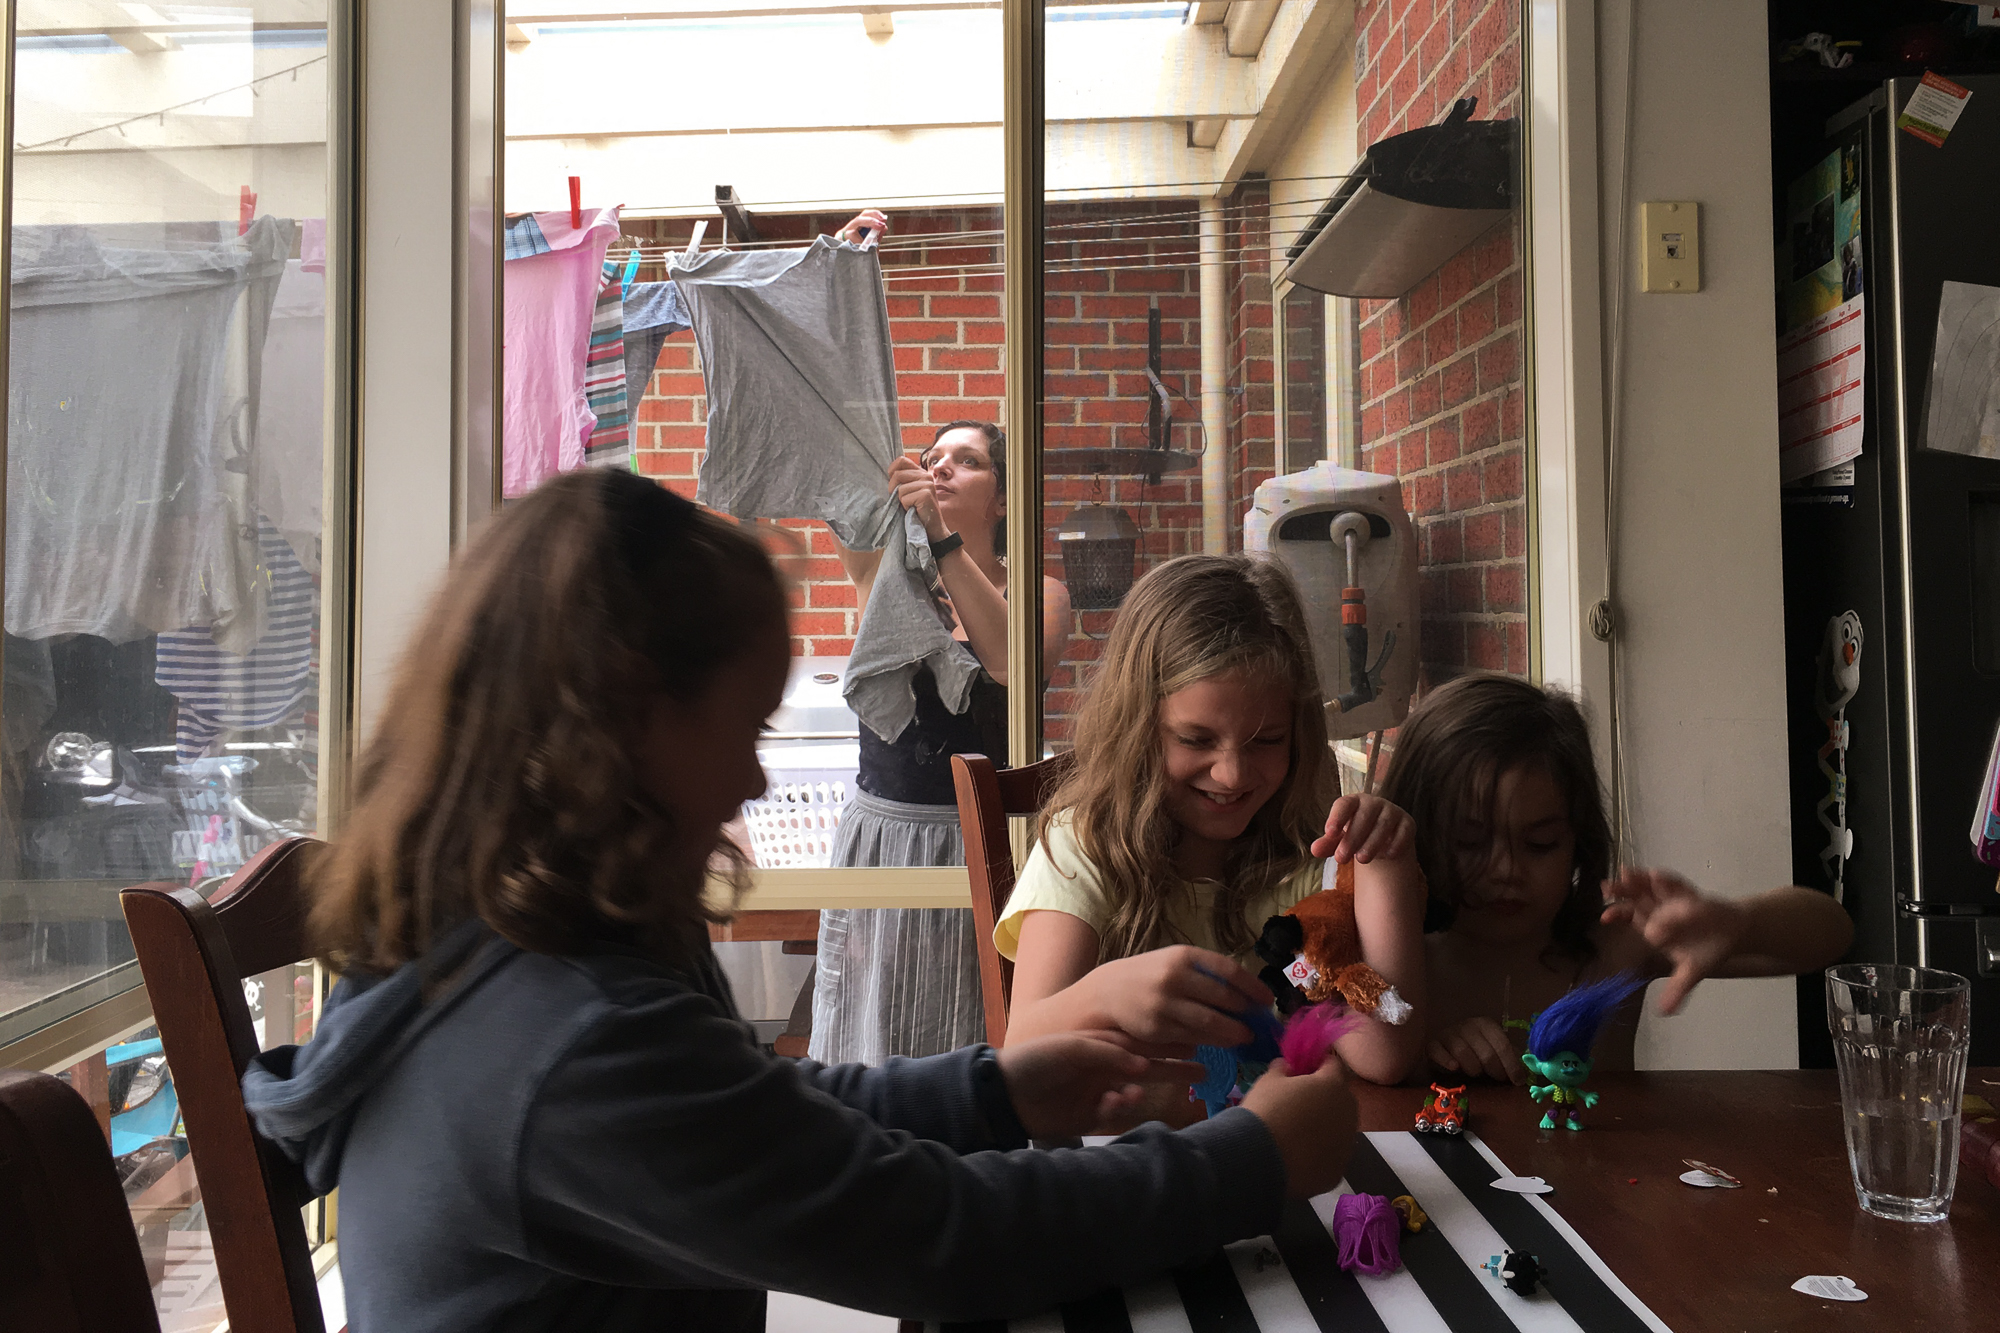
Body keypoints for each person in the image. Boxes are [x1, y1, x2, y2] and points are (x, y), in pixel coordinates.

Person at [239, 470, 1357, 1333]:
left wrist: (995, 1090)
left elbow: (754, 1111)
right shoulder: (564, 1045)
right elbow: (944, 1240)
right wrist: (1249, 1161)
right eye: (746, 723)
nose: (753, 777)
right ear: (625, 726)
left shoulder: (516, 954)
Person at [997, 554, 1428, 1091]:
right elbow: (1021, 1054)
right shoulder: (1083, 847)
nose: (1232, 774)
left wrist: (1382, 861)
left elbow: (1383, 1054)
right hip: (1133, 1157)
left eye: (1266, 740)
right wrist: (1108, 996)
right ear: (1137, 726)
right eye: (1196, 740)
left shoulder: (1310, 855)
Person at [808, 211, 1074, 1068]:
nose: (941, 466)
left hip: (982, 844)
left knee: (969, 1033)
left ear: (1003, 496)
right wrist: (847, 284)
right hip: (883, 836)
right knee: (875, 1036)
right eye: (933, 455)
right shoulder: (885, 578)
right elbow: (833, 443)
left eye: (965, 460)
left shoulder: (1044, 596)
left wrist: (946, 542)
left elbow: (1004, 660)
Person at [1383, 672, 1856, 1083]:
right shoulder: (1394, 968)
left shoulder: (1612, 946)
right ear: (1417, 834)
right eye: (1469, 842)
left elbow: (1832, 932)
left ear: (1579, 841)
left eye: (1541, 843)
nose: (1506, 870)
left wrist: (1741, 923)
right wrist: (1425, 1060)